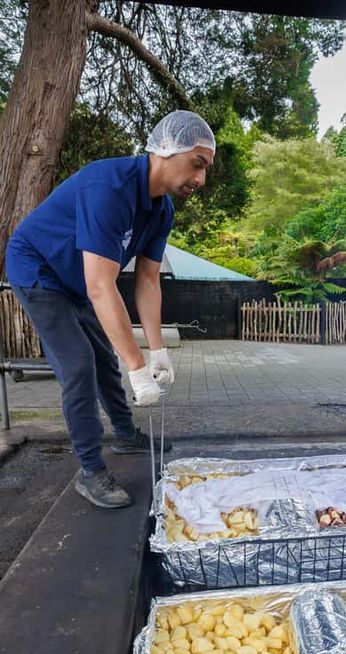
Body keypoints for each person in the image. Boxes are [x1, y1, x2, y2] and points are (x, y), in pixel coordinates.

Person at [6, 110, 215, 509]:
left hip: (78, 278)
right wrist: (136, 369)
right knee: (79, 364)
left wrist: (157, 352)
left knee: (104, 355)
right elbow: (101, 285)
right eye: (197, 164)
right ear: (167, 149)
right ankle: (90, 470)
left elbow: (148, 281)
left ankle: (124, 432)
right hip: (38, 267)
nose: (201, 180)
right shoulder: (109, 187)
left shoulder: (162, 211)